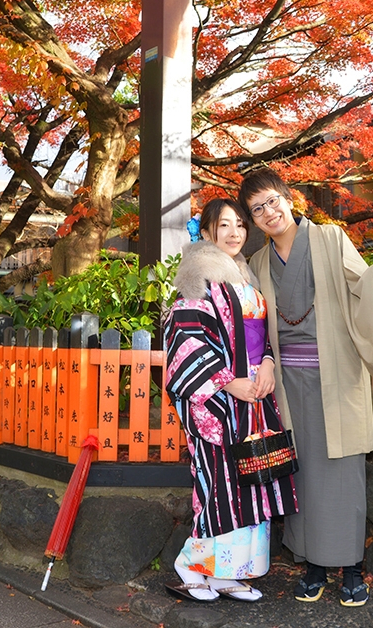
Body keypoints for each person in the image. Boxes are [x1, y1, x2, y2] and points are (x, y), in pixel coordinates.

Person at [238, 167, 373, 607]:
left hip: (336, 374)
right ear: (252, 221)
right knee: (302, 474)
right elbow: (252, 329)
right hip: (287, 384)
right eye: (257, 209)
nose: (268, 212)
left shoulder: (330, 239)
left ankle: (352, 569)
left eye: (272, 201)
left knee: (344, 471)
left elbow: (359, 283)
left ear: (288, 198)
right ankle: (311, 565)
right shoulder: (257, 263)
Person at [163, 198, 298, 602]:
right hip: (218, 402)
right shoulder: (197, 277)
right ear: (206, 233)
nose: (235, 232)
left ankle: (229, 574)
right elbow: (185, 342)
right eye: (224, 225)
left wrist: (269, 364)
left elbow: (263, 338)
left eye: (240, 224)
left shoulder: (245, 276)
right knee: (217, 486)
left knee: (250, 483)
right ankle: (192, 569)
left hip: (254, 396)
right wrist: (227, 382)